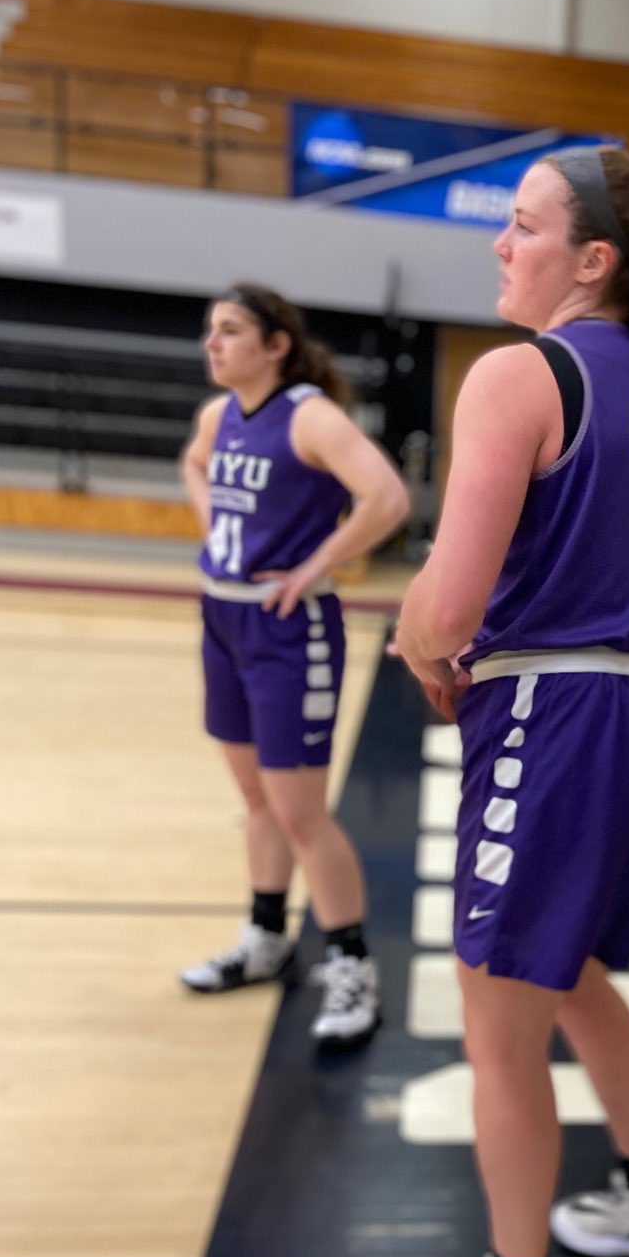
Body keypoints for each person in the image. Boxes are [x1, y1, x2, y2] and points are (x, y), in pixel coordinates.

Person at [382, 146, 629, 1257]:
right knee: (571, 976)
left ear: (592, 259)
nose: (498, 245)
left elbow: (444, 611)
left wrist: (422, 641)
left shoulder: (522, 376)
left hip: (556, 719)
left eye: (519, 226)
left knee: (500, 1026)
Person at [179, 283, 410, 1048]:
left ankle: (352, 969)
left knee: (301, 811)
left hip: (289, 628)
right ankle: (266, 937)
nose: (213, 343)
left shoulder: (308, 414)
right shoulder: (220, 416)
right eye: (211, 331)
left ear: (275, 345)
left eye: (231, 331)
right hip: (222, 614)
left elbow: (385, 497)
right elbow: (196, 463)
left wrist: (315, 567)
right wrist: (216, 525)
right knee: (255, 799)